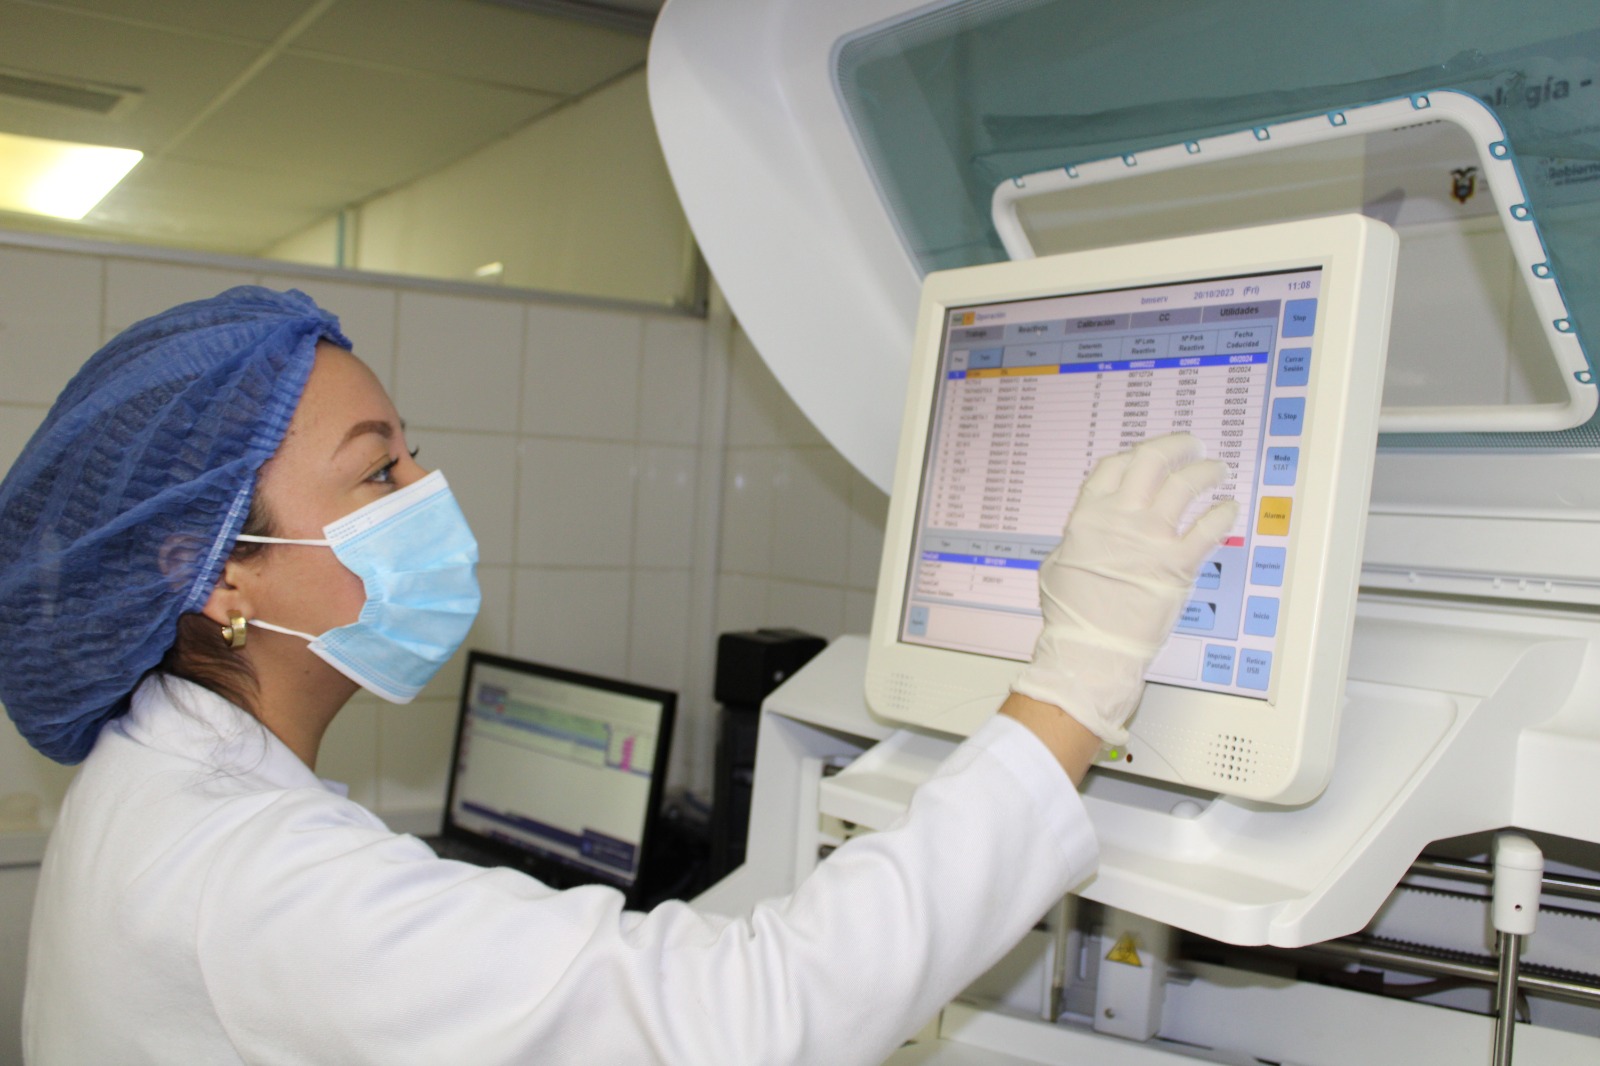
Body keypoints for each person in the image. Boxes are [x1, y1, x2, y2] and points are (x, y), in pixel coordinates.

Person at [0, 287, 1235, 1065]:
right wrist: (1075, 681)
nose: (428, 494)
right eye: (378, 473)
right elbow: (744, 1021)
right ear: (218, 573)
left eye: (414, 456)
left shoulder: (160, 767)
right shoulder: (256, 879)